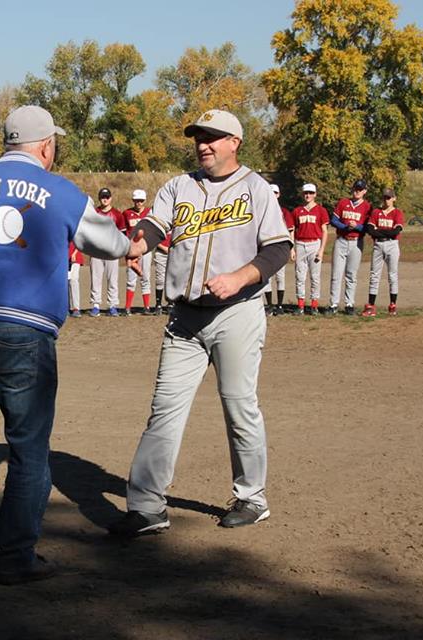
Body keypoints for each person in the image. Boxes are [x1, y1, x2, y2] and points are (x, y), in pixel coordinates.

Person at [0, 105, 145, 583]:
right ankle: (15, 558)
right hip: (25, 329)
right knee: (28, 446)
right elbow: (107, 242)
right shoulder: (60, 190)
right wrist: (133, 247)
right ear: (46, 145)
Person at [107, 109, 292, 537]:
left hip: (237, 313)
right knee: (164, 411)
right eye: (198, 138)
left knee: (239, 405)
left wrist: (240, 277)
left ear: (234, 142)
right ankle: (147, 507)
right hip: (185, 319)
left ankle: (252, 498)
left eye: (212, 137)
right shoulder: (179, 186)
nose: (203, 145)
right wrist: (137, 247)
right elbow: (154, 227)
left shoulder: (255, 188)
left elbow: (278, 248)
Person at [327, 179, 372, 315]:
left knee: (351, 275)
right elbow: (333, 220)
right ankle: (333, 304)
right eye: (355, 189)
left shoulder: (367, 207)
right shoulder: (343, 202)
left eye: (360, 189)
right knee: (336, 274)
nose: (357, 191)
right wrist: (345, 227)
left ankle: (349, 304)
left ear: (364, 191)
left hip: (356, 242)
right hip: (341, 240)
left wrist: (357, 226)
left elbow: (368, 228)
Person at [361, 188, 405, 316]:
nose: (386, 200)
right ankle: (371, 306)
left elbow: (395, 232)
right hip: (378, 245)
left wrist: (379, 230)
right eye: (385, 197)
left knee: (392, 275)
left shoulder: (397, 213)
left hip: (392, 245)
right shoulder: (376, 212)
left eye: (389, 197)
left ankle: (393, 304)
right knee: (374, 275)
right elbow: (370, 230)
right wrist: (384, 232)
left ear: (394, 198)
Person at [290, 183, 329, 315]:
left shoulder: (321, 210)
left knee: (315, 277)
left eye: (311, 193)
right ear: (303, 194)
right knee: (300, 276)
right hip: (300, 244)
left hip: (314, 244)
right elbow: (292, 230)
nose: (308, 195)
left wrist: (321, 250)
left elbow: (325, 231)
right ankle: (300, 305)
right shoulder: (297, 211)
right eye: (306, 193)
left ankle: (314, 306)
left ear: (315, 194)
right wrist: (292, 248)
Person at [88, 187, 125, 316]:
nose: (105, 199)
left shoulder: (117, 214)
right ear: (99, 199)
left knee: (113, 279)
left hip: (111, 251)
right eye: (103, 197)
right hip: (97, 250)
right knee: (96, 278)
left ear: (111, 198)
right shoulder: (94, 213)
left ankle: (112, 305)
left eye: (107, 197)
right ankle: (96, 305)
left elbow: (122, 233)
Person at [122, 189, 155, 315]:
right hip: (131, 251)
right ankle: (127, 307)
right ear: (133, 200)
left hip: (145, 250)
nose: (139, 203)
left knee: (145, 277)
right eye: (136, 200)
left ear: (145, 201)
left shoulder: (150, 213)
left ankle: (146, 307)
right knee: (131, 278)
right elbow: (124, 233)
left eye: (141, 200)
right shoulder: (127, 213)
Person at [262, 183, 293, 315]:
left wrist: (291, 248)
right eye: (271, 192)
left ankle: (279, 305)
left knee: (280, 277)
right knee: (267, 278)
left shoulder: (284, 212)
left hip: (280, 247)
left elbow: (290, 230)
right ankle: (269, 305)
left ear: (278, 194)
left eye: (275, 192)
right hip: (266, 248)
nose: (273, 195)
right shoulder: (262, 210)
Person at [152, 231, 171, 315]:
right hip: (161, 252)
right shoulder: (160, 224)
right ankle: (158, 304)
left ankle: (171, 303)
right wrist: (163, 247)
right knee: (160, 279)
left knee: (171, 279)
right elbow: (153, 238)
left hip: (174, 251)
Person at [68, 241, 84, 317]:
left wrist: (74, 253)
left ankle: (76, 308)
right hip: (63, 258)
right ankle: (66, 308)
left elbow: (80, 242)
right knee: (64, 283)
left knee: (73, 280)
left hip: (75, 257)